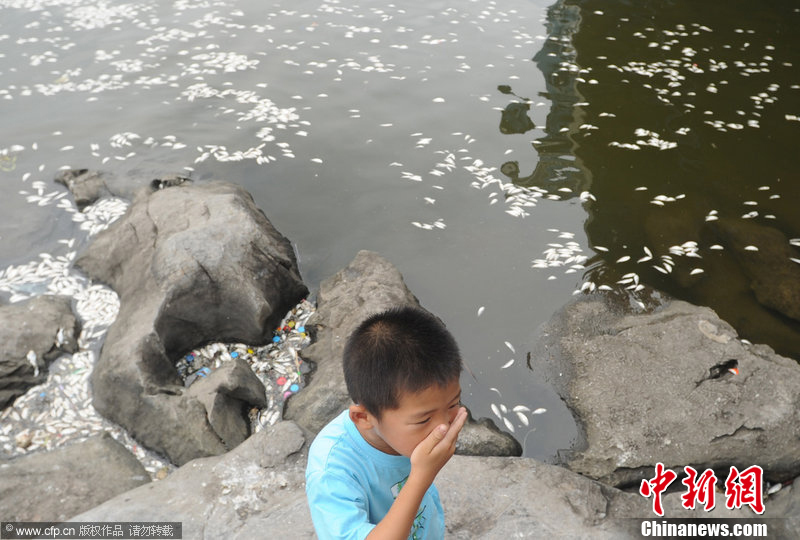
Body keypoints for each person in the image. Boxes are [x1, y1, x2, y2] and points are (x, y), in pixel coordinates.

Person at [305, 306, 469, 540]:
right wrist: (421, 476)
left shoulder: (403, 434)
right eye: (424, 419)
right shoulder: (333, 471)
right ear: (364, 418)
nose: (443, 428)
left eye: (453, 404)